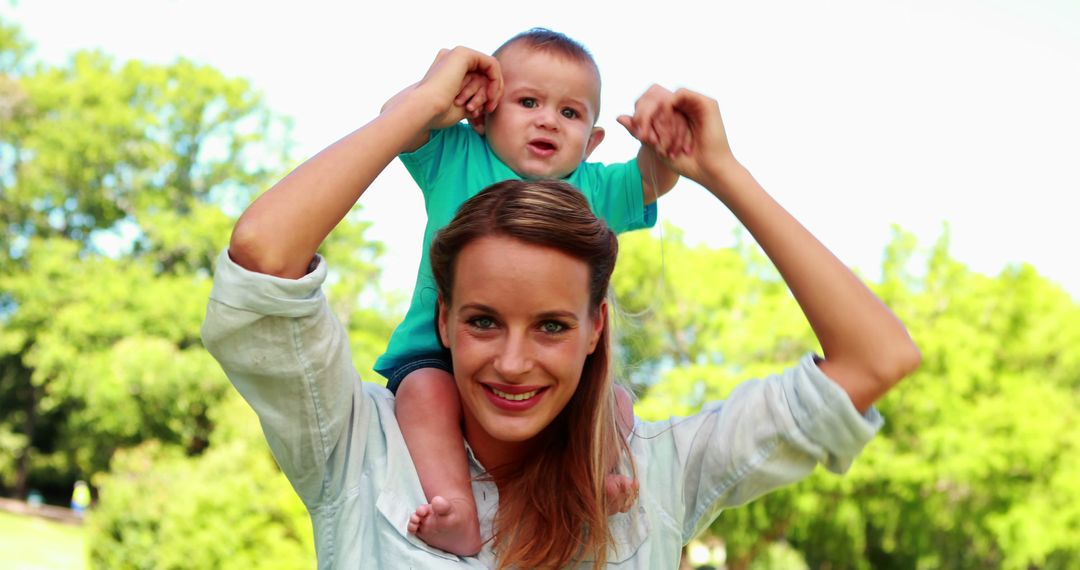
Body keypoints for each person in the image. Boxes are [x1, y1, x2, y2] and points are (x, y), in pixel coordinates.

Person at [201, 46, 920, 568]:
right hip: (419, 380)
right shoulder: (358, 447)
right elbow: (264, 258)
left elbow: (878, 359)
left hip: (610, 447)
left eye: (551, 325)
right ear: (446, 315)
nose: (513, 362)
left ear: (594, 325)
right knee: (423, 389)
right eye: (483, 320)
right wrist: (424, 100)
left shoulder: (656, 476)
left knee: (619, 410)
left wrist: (721, 173)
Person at [374, 28, 682, 554]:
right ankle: (457, 508)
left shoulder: (593, 186)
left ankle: (597, 477)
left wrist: (664, 141)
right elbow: (395, 123)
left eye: (570, 113)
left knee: (617, 404)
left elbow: (653, 180)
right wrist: (435, 91)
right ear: (483, 114)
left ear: (593, 140)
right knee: (423, 397)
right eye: (528, 102)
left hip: (548, 365)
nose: (547, 119)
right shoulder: (456, 154)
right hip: (435, 350)